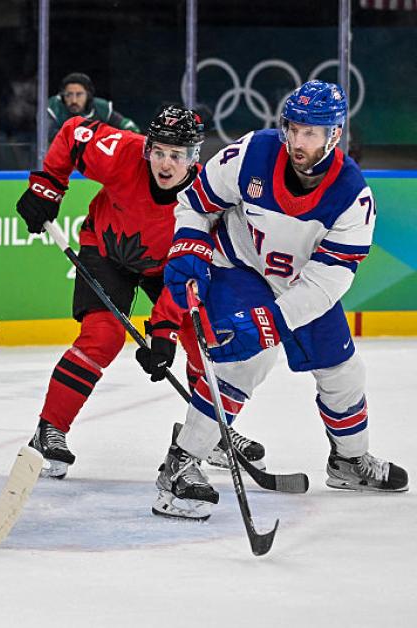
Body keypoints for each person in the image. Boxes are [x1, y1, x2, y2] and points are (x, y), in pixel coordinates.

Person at [153, 80, 408, 520]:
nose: (298, 141)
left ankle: (349, 461)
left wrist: (273, 319)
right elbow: (195, 204)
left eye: (312, 132)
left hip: (299, 287)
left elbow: (326, 283)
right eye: (294, 129)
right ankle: (180, 464)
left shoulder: (352, 197)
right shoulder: (251, 153)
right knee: (245, 362)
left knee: (344, 372)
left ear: (334, 134)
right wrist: (188, 244)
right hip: (239, 267)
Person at [14, 104, 264, 479]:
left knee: (203, 339)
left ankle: (206, 434)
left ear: (195, 157)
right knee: (103, 336)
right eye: (158, 151)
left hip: (167, 268)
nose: (165, 164)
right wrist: (49, 184)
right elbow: (72, 132)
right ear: (147, 147)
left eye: (176, 155)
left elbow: (186, 276)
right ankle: (48, 429)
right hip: (104, 248)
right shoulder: (121, 152)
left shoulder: (203, 201)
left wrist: (163, 333)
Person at [46, 72, 138, 138]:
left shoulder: (100, 107)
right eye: (68, 95)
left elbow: (125, 124)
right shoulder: (54, 107)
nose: (73, 100)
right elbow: (47, 133)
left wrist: (135, 134)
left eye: (79, 94)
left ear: (88, 95)